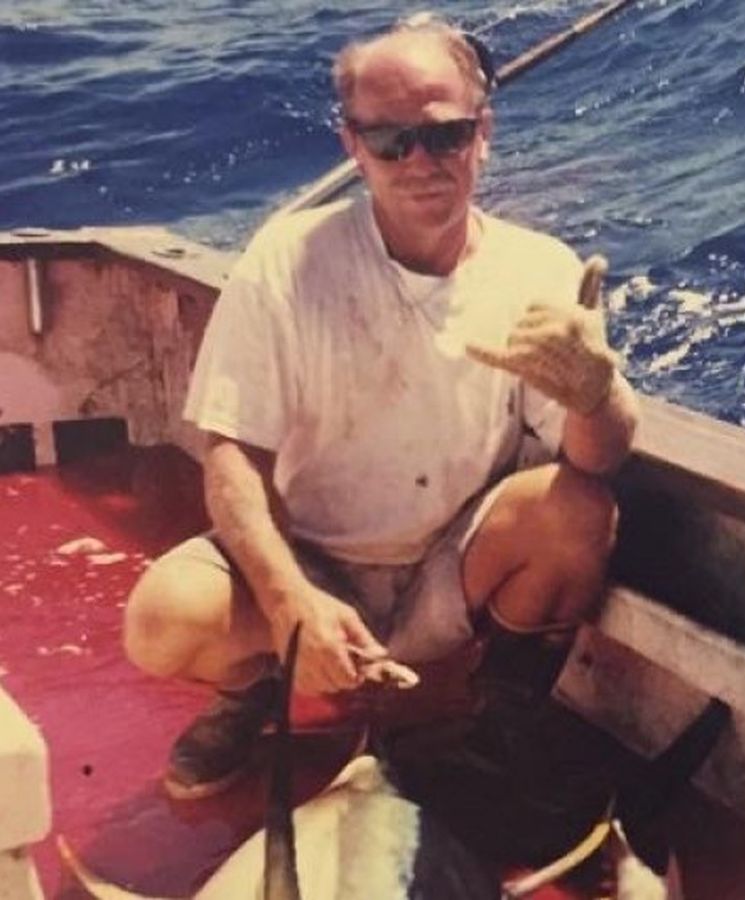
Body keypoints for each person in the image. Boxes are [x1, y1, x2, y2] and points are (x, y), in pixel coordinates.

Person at [122, 13, 639, 801]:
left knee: (579, 511)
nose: (420, 161)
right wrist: (289, 604)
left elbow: (595, 462)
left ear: (483, 133)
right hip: (310, 560)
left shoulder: (542, 269)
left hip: (449, 570)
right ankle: (257, 688)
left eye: (445, 135)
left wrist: (597, 395)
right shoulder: (285, 259)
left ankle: (496, 717)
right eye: (391, 140)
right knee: (162, 618)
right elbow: (232, 457)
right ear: (353, 146)